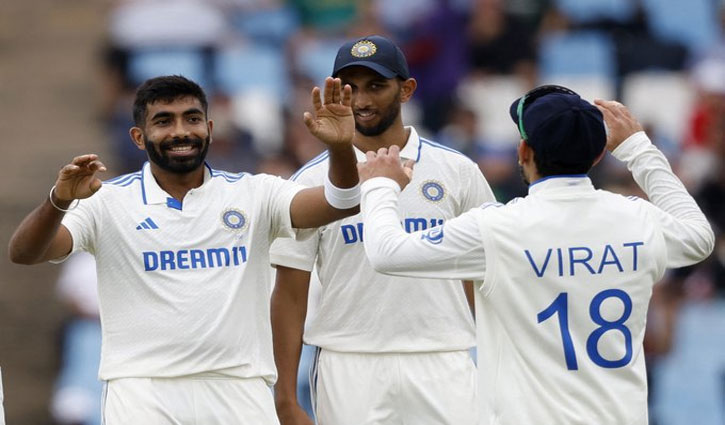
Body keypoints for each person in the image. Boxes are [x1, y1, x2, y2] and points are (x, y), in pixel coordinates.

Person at [8, 74, 359, 424]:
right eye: (163, 121)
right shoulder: (107, 201)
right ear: (138, 137)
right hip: (144, 392)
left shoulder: (255, 193)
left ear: (208, 126)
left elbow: (341, 202)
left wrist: (341, 148)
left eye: (191, 119)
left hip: (239, 388)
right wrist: (59, 200)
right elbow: (25, 253)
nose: (180, 131)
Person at [357, 85, 715, 425]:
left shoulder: (497, 228)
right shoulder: (637, 218)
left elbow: (386, 253)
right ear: (598, 154)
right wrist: (639, 149)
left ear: (523, 152)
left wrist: (379, 185)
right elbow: (700, 237)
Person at [270, 35, 495, 425]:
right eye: (349, 88)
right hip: (349, 363)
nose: (361, 101)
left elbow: (487, 277)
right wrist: (285, 398)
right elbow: (290, 292)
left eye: (376, 86)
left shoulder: (457, 171)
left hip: (444, 358)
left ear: (407, 89)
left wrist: (497, 365)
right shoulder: (308, 182)